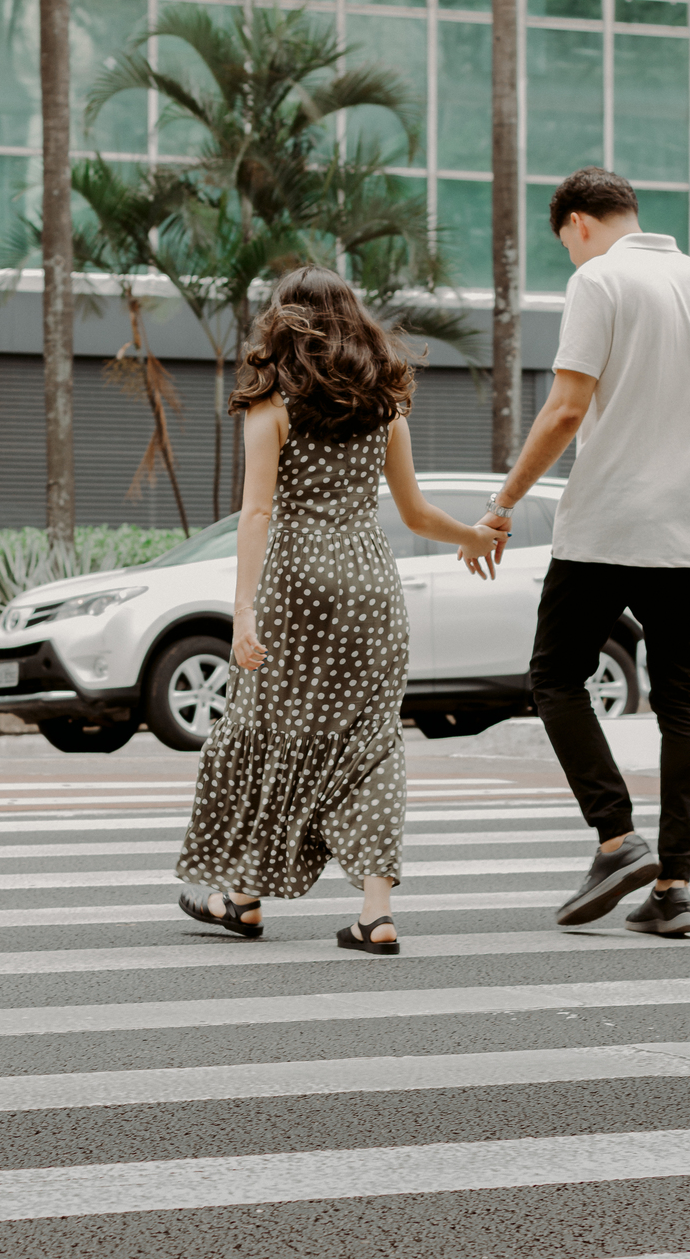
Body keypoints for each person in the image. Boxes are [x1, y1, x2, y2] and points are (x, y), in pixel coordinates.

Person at [175, 265, 501, 954]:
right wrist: (472, 536)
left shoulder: (272, 407)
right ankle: (376, 913)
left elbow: (257, 513)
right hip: (370, 584)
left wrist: (243, 614)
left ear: (284, 322)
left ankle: (244, 898)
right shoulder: (385, 408)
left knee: (268, 728)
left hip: (298, 584)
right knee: (372, 740)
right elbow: (414, 512)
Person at [467, 167, 690, 937]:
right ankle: (674, 889)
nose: (572, 256)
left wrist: (502, 504)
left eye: (566, 244)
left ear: (578, 223)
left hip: (610, 523)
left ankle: (617, 838)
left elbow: (566, 408)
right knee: (683, 702)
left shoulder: (599, 281)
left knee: (555, 677)